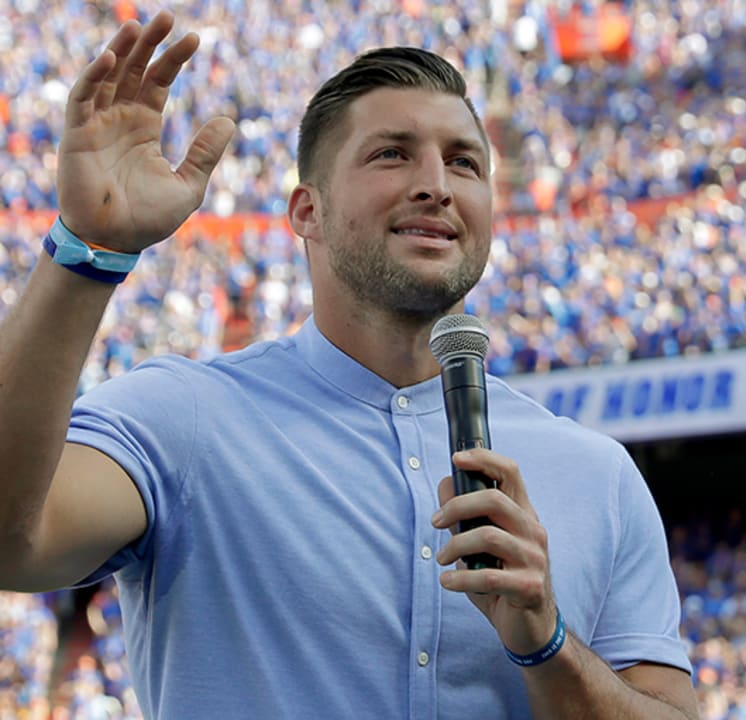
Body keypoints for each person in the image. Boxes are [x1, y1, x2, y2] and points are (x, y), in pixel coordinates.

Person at [0, 11, 698, 720]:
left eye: (464, 162)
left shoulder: (598, 474)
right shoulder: (185, 420)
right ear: (308, 210)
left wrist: (548, 645)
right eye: (392, 153)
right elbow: (9, 543)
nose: (438, 185)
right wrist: (86, 251)